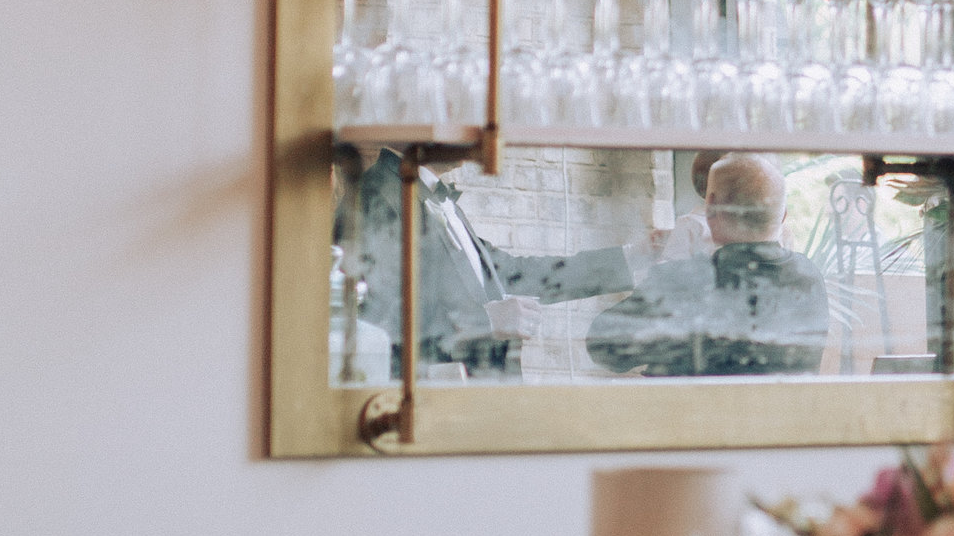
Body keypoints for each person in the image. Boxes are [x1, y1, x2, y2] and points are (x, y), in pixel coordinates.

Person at [337, 143, 636, 376]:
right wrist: (485, 321)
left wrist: (637, 257)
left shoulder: (429, 197)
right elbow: (372, 323)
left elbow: (515, 274)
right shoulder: (377, 196)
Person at [585, 154, 831, 374]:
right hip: (782, 424)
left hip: (693, 423)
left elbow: (602, 347)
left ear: (710, 207)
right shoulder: (810, 277)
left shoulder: (684, 281)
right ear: (783, 215)